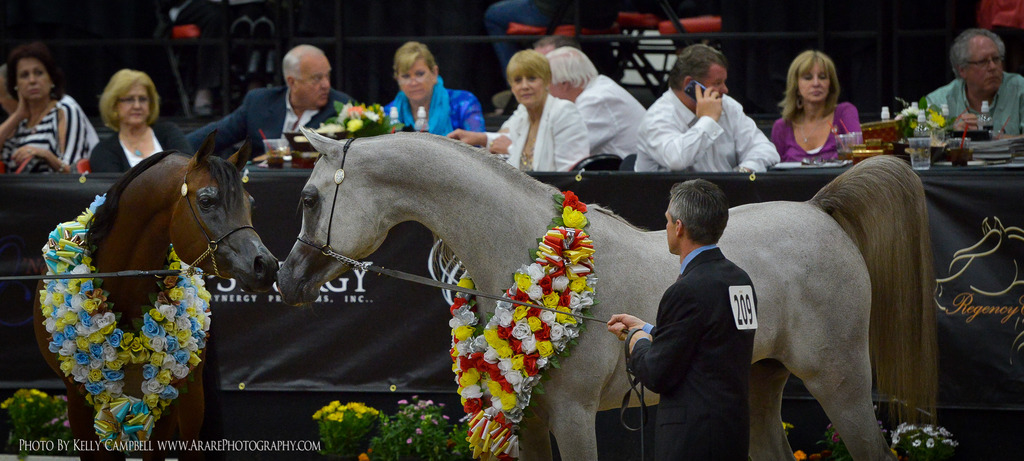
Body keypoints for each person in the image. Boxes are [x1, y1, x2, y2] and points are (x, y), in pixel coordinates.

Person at [606, 179, 756, 460]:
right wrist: (648, 329)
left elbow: (656, 374)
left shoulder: (685, 290)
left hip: (692, 442)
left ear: (679, 227)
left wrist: (636, 341)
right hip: (733, 434)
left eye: (667, 221)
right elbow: (710, 340)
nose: (666, 228)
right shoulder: (741, 280)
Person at [186, 44, 353, 158]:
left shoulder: (343, 108)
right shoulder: (259, 103)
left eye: (327, 76)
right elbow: (216, 135)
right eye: (317, 79)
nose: (326, 85)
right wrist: (165, 149)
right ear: (292, 82)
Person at [634, 44, 779, 172]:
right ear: (690, 84)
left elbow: (765, 149)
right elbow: (676, 160)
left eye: (724, 82)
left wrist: (744, 171)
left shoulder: (728, 105)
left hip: (729, 197)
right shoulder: (657, 118)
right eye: (717, 83)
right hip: (673, 201)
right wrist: (708, 120)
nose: (725, 90)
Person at [448, 49, 589, 172]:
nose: (524, 86)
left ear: (547, 80)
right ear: (511, 87)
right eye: (517, 80)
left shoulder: (564, 112)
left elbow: (569, 175)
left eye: (532, 78)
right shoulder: (523, 112)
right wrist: (480, 138)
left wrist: (510, 150)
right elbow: (503, 136)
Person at [0, 42, 95, 174]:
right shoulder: (19, 122)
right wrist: (17, 116)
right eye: (24, 75)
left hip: (53, 192)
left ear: (51, 79)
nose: (32, 80)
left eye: (38, 73)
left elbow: (74, 173)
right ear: (16, 84)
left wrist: (44, 154)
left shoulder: (64, 110)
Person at [546, 46, 646, 158]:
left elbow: (565, 149)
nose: (545, 91)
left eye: (547, 84)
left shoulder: (595, 100)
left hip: (635, 172)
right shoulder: (600, 85)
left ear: (565, 83)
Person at [926, 28, 1024, 136]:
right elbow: (924, 143)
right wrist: (953, 135)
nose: (992, 67)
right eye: (982, 62)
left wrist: (991, 138)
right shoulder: (939, 101)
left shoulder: (1019, 89)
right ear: (962, 70)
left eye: (996, 59)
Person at [90, 69, 191, 173]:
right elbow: (114, 188)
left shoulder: (169, 132)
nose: (137, 106)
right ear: (114, 105)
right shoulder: (104, 151)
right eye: (129, 99)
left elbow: (190, 171)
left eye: (142, 99)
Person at [771, 50, 861, 163]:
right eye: (808, 78)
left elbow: (858, 158)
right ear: (796, 86)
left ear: (830, 84)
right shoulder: (781, 127)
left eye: (822, 77)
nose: (816, 83)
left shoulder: (844, 113)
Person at [383, 41, 484, 136]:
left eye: (420, 74)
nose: (413, 83)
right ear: (397, 79)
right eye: (406, 76)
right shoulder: (386, 114)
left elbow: (477, 147)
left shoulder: (464, 103)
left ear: (434, 73)